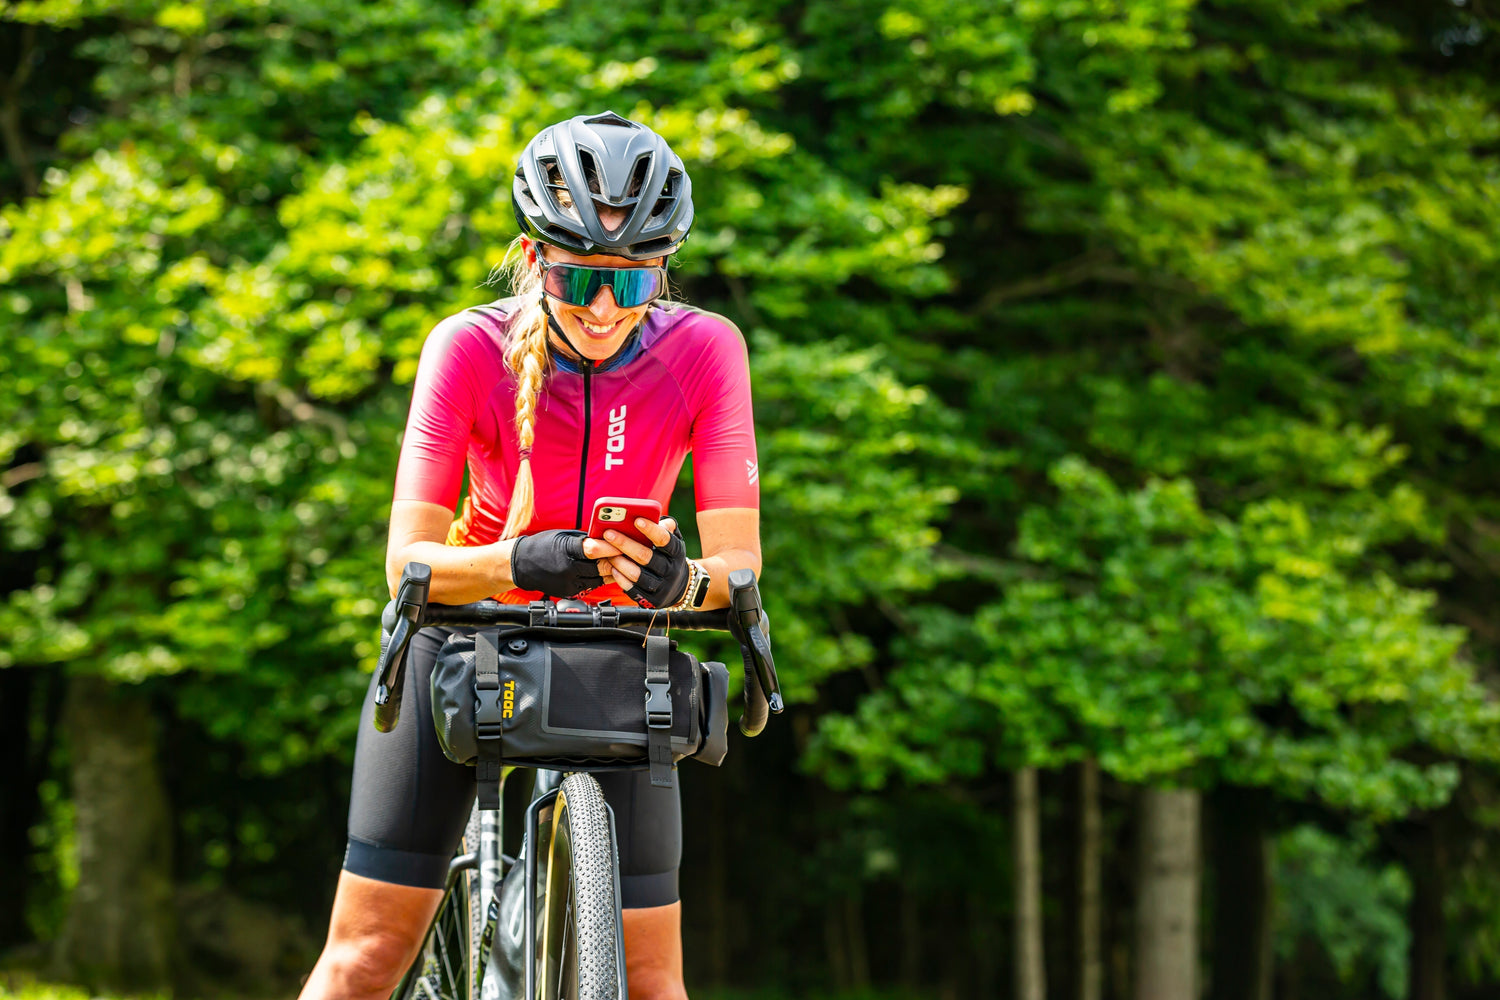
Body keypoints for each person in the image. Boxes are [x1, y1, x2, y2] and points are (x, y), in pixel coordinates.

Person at [299, 111, 761, 1000]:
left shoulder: (706, 349)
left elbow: (738, 569)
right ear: (531, 254)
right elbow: (409, 568)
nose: (599, 309)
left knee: (657, 982)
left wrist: (683, 578)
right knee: (360, 963)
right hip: (462, 638)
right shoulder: (466, 345)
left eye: (629, 287)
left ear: (664, 272)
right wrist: (524, 559)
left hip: (625, 653)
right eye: (577, 277)